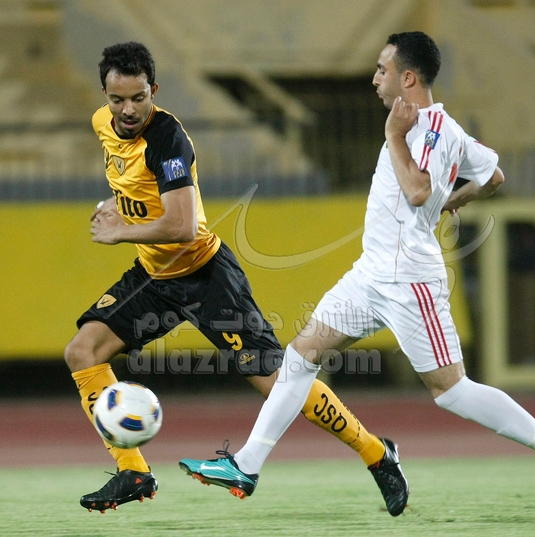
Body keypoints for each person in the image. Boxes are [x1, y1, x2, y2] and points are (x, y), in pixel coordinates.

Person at [184, 31, 535, 515]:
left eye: (382, 69)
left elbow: (417, 191)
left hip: (410, 282)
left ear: (408, 77)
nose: (375, 78)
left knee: (451, 391)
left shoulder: (426, 129)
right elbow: (493, 175)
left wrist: (398, 141)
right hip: (371, 275)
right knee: (301, 356)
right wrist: (455, 199)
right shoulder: (444, 128)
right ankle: (247, 465)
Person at [64, 41, 407, 515]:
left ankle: (377, 453)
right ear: (104, 95)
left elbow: (184, 226)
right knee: (82, 351)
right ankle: (133, 472)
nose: (127, 110)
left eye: (138, 98)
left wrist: (122, 229)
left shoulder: (168, 140)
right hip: (154, 275)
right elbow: (137, 185)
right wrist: (120, 204)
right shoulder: (102, 125)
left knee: (277, 383)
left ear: (153, 91)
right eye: (117, 99)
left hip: (206, 277)